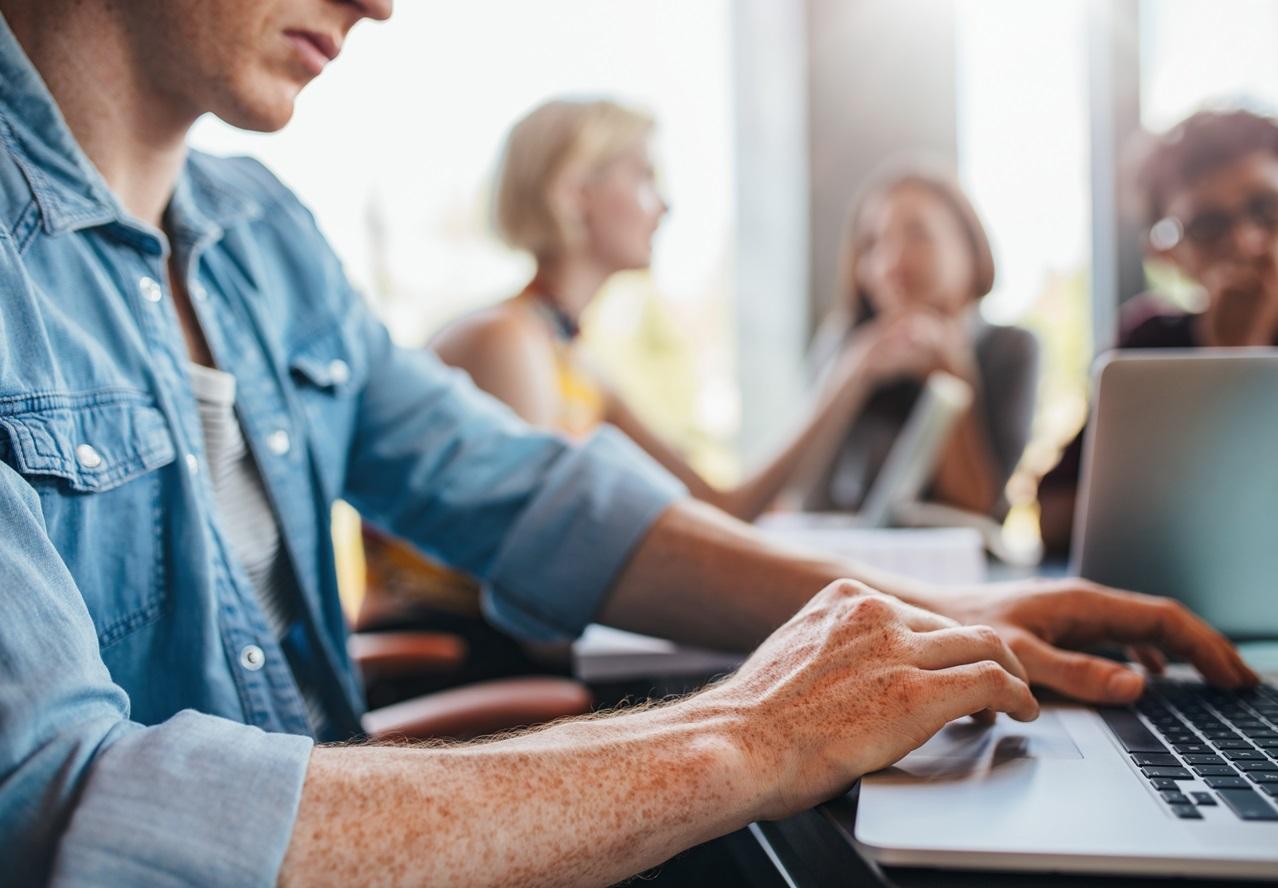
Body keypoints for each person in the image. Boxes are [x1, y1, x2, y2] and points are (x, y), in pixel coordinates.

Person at [0, 2, 1257, 885]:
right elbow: (66, 817)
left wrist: (957, 610)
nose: (380, 3)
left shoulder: (263, 235)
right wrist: (743, 732)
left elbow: (549, 501)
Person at [430, 98, 894, 523]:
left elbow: (722, 507)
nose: (666, 206)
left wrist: (852, 375)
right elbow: (523, 547)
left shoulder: (577, 363)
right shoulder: (508, 342)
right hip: (436, 617)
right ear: (574, 194)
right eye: (644, 176)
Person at [1038, 108, 1278, 555]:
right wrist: (1227, 363)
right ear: (1168, 255)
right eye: (1209, 226)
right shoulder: (1148, 345)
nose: (1248, 242)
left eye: (1266, 208)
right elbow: (1054, 515)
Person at [803, 165, 1039, 519]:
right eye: (872, 243)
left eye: (919, 235)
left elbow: (976, 510)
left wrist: (948, 372)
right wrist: (851, 376)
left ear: (970, 250)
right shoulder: (843, 347)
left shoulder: (1009, 348)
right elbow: (797, 494)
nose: (891, 261)